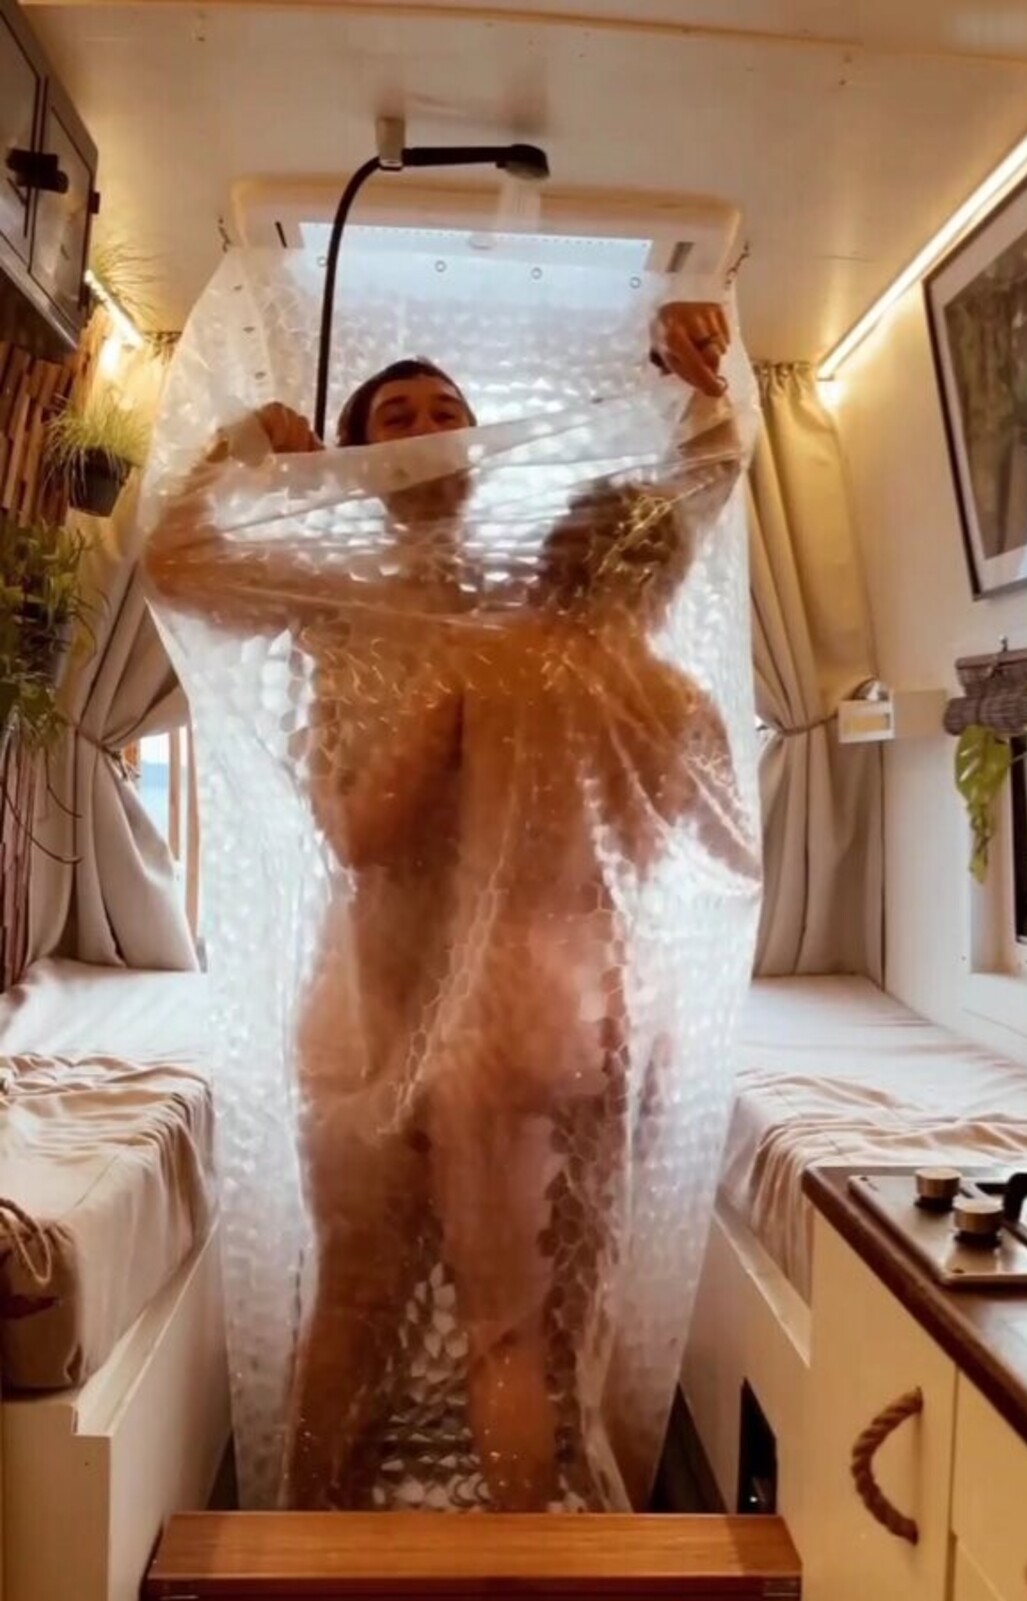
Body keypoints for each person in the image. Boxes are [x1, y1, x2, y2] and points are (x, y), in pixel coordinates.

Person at [145, 300, 756, 1510]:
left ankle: (510, 1563)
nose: (426, 428)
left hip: (509, 1007)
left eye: (447, 413)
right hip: (375, 991)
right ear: (357, 456)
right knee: (360, 1293)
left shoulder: (521, 602)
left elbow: (674, 510)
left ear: (479, 450)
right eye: (395, 417)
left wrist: (699, 380)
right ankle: (321, 1540)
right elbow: (175, 566)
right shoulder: (329, 586)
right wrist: (238, 450)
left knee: (530, 1313)